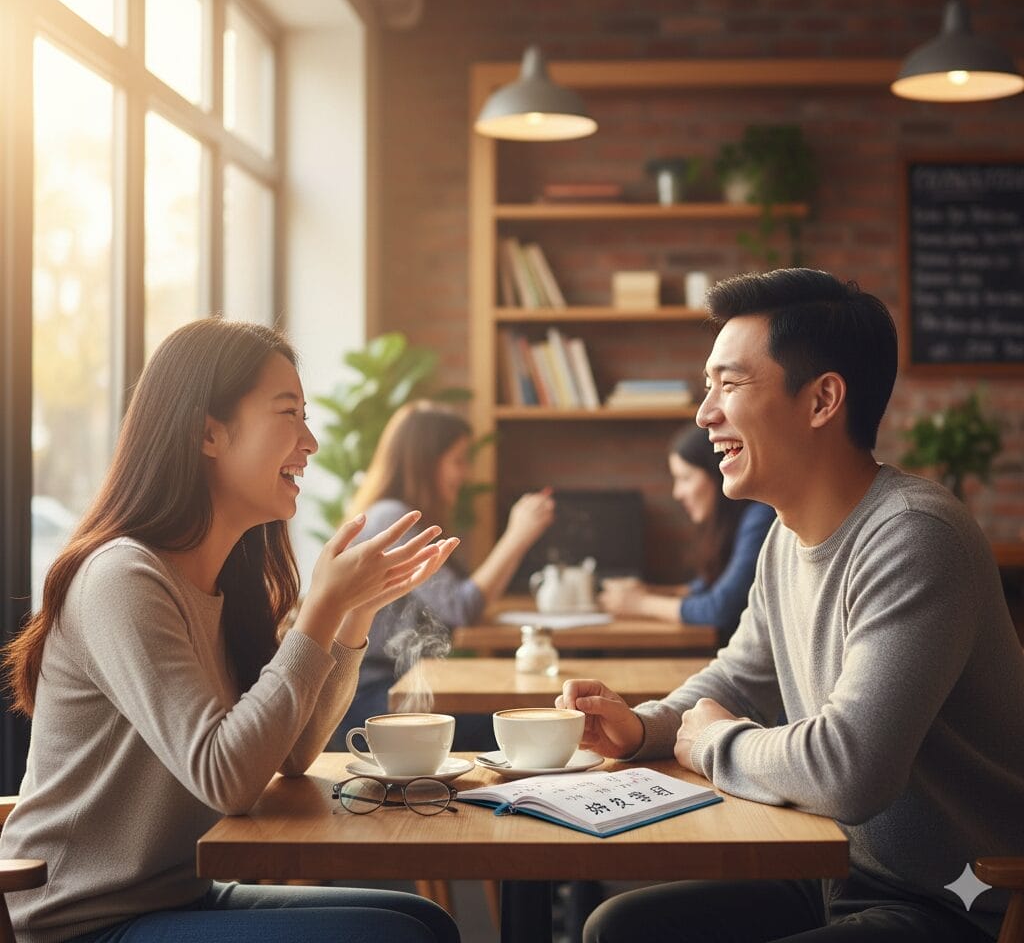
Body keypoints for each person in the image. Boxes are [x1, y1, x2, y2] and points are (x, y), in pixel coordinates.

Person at [559, 268, 1024, 943]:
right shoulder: (786, 537)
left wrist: (711, 741)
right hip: (838, 871)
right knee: (619, 928)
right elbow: (739, 676)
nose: (704, 412)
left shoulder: (916, 536)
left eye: (730, 383)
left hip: (961, 902)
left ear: (822, 400)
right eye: (706, 384)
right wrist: (642, 727)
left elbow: (849, 769)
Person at [0, 318, 462, 943]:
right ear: (207, 432)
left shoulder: (228, 579)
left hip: (176, 896)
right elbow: (226, 778)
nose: (311, 441)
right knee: (398, 937)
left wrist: (354, 614)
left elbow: (292, 753)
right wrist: (320, 610)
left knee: (421, 919)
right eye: (289, 413)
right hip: (83, 921)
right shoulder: (123, 578)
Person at [330, 400, 555, 750]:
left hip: (399, 686)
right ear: (424, 464)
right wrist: (517, 536)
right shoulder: (393, 517)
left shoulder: (397, 514)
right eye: (458, 461)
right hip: (370, 700)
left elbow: (469, 605)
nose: (465, 474)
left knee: (517, 718)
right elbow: (462, 607)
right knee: (516, 727)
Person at [599, 425, 774, 641]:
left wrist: (638, 603)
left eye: (685, 478)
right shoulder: (732, 523)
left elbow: (719, 609)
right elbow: (704, 587)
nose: (677, 493)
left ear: (718, 474)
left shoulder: (761, 517)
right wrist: (646, 590)